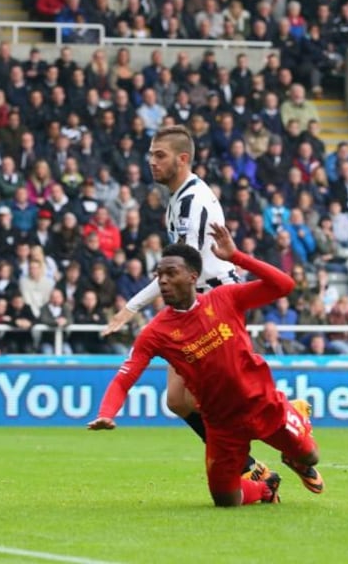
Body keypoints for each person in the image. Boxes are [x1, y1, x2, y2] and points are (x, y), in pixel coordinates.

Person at [89, 224, 324, 506]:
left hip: (262, 404)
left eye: (170, 273)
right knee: (226, 499)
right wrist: (106, 412)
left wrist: (237, 256)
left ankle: (295, 414)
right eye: (159, 275)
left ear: (192, 276)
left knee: (311, 457)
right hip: (221, 424)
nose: (162, 281)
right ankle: (266, 488)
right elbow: (126, 376)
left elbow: (284, 285)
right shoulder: (156, 332)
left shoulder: (226, 297)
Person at [102, 125, 269, 481]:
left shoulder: (193, 202)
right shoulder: (178, 200)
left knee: (230, 397)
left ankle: (286, 438)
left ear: (182, 159)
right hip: (196, 303)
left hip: (215, 305)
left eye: (159, 155)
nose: (151, 162)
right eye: (150, 154)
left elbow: (183, 268)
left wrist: (132, 306)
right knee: (179, 400)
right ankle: (250, 465)